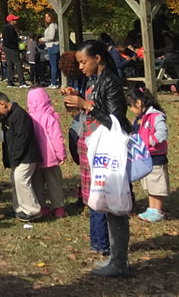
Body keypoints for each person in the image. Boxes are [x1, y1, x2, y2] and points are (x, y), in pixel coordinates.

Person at [63, 39, 132, 277]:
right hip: (94, 143)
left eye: (84, 62)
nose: (80, 67)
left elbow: (115, 119)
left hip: (108, 147)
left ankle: (119, 261)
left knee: (114, 202)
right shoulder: (94, 79)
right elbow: (92, 105)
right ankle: (113, 255)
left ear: (98, 58)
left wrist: (86, 105)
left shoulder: (111, 81)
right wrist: (77, 99)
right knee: (102, 199)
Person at [0, 91, 42, 221]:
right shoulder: (7, 117)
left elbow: (22, 139)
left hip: (26, 156)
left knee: (21, 179)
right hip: (17, 157)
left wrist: (15, 157)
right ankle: (19, 208)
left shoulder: (19, 115)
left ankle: (32, 210)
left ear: (2, 104)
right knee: (15, 180)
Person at [128, 87, 170, 223]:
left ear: (139, 103)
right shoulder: (140, 118)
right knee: (149, 183)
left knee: (157, 184)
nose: (131, 110)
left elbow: (162, 132)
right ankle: (152, 208)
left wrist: (150, 141)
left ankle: (157, 210)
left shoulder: (156, 116)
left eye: (131, 106)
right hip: (145, 156)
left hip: (156, 156)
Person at [26, 88, 68, 219]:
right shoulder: (49, 118)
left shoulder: (29, 118)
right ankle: (58, 208)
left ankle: (41, 206)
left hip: (35, 157)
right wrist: (61, 154)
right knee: (54, 183)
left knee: (37, 183)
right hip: (50, 158)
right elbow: (56, 137)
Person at [2, 14, 26, 88]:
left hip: (6, 47)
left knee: (10, 65)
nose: (16, 21)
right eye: (15, 20)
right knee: (18, 64)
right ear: (11, 21)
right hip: (11, 48)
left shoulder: (5, 28)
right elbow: (11, 39)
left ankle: (10, 82)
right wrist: (19, 39)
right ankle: (22, 82)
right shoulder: (10, 28)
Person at [43, 12, 61, 88]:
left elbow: (51, 37)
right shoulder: (51, 26)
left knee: (53, 65)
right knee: (55, 65)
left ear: (52, 17)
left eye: (48, 17)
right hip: (52, 46)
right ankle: (58, 81)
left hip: (53, 46)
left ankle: (54, 83)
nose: (47, 18)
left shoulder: (53, 26)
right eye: (46, 17)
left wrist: (42, 39)